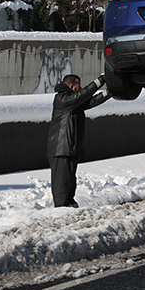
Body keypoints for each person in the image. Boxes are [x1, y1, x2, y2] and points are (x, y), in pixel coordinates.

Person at [46, 73, 111, 208]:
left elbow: (91, 101)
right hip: (61, 148)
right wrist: (101, 79)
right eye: (78, 86)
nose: (80, 88)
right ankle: (61, 209)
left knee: (69, 180)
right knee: (62, 182)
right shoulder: (63, 99)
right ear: (72, 86)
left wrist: (109, 92)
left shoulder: (73, 103)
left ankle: (69, 204)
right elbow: (84, 95)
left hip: (69, 147)